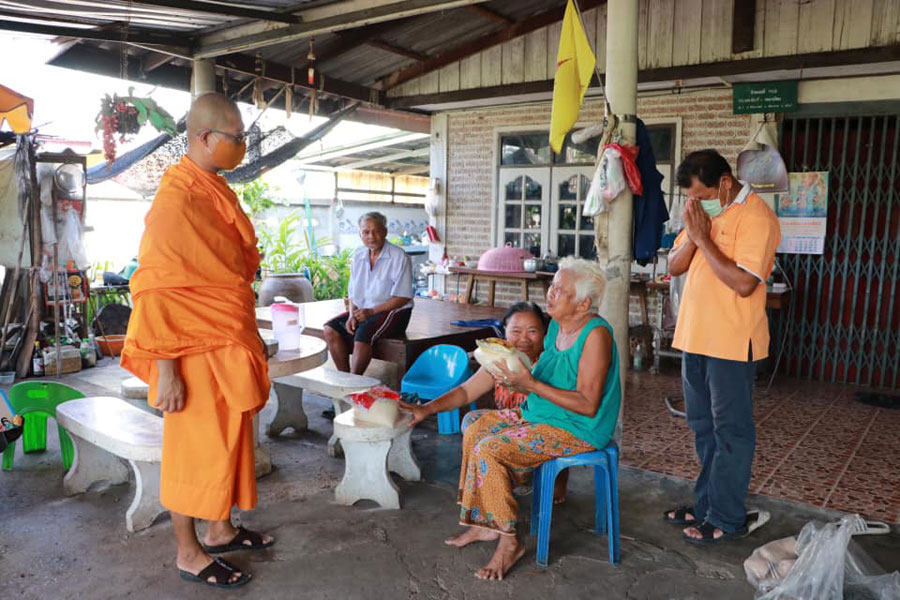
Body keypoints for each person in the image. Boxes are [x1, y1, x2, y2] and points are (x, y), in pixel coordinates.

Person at [122, 93, 273, 589]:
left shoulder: (212, 188)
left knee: (229, 442)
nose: (243, 146)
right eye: (237, 138)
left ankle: (220, 527)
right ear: (206, 138)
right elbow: (155, 286)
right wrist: (163, 367)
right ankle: (188, 553)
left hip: (220, 337)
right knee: (195, 450)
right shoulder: (177, 199)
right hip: (187, 352)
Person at [446, 258, 621, 581]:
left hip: (578, 428)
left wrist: (528, 385)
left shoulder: (596, 336)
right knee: (474, 424)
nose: (550, 294)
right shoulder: (557, 324)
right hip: (544, 414)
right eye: (552, 286)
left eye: (559, 290)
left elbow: (587, 404)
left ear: (583, 303)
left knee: (490, 448)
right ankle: (484, 523)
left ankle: (509, 542)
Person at [664, 149, 781, 544]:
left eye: (702, 195)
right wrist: (694, 235)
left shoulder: (757, 217)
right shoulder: (704, 215)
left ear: (725, 184)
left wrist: (703, 238)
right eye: (691, 198)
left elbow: (745, 283)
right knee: (702, 428)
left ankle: (728, 517)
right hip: (693, 337)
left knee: (731, 431)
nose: (696, 203)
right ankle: (706, 504)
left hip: (731, 342)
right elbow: (674, 266)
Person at [400, 302, 570, 502]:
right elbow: (465, 392)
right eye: (516, 331)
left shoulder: (550, 363)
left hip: (545, 433)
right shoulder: (498, 362)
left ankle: (534, 479)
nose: (524, 338)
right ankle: (494, 489)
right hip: (512, 428)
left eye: (532, 331)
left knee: (548, 492)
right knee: (472, 420)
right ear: (505, 332)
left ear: (544, 334)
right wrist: (427, 408)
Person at [324, 212, 413, 375]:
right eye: (365, 232)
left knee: (363, 332)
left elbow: (403, 297)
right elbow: (353, 292)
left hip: (394, 311)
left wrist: (371, 312)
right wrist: (351, 314)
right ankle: (345, 379)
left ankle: (354, 382)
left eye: (376, 231)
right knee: (330, 329)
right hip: (364, 311)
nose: (371, 236)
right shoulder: (359, 255)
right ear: (360, 234)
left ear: (385, 232)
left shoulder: (398, 256)